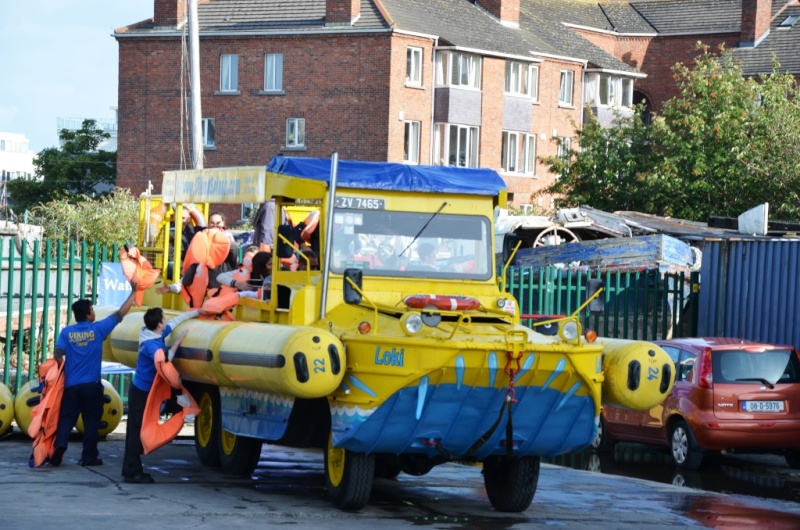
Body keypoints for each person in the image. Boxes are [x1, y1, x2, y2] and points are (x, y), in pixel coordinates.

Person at [49, 278, 138, 468]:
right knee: (91, 421)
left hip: (71, 385)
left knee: (67, 418)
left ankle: (60, 445)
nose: (94, 312)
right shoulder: (97, 329)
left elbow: (57, 355)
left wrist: (65, 370)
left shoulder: (67, 332)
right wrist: (134, 292)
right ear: (88, 314)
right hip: (92, 385)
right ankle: (89, 457)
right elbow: (120, 313)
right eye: (92, 310)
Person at [122, 306, 203, 484]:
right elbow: (164, 361)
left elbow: (174, 322)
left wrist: (196, 312)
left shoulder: (153, 332)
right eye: (163, 319)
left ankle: (129, 468)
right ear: (159, 324)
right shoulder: (151, 345)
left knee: (137, 428)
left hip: (148, 390)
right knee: (136, 430)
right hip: (142, 392)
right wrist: (178, 341)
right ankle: (132, 471)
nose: (166, 320)